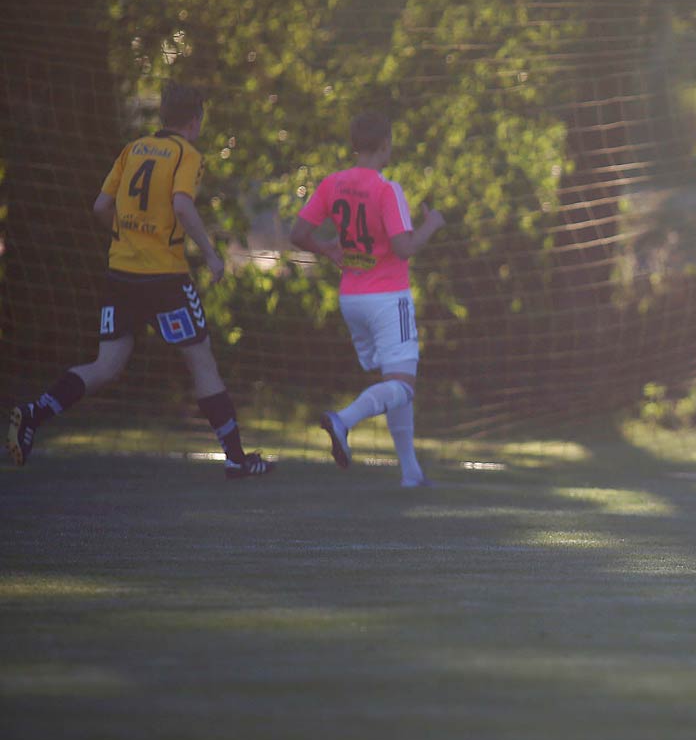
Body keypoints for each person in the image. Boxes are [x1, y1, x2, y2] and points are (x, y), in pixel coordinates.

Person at [7, 83, 272, 477]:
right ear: (195, 122)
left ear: (163, 117)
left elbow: (101, 206)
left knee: (106, 364)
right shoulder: (187, 153)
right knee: (201, 362)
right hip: (165, 280)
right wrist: (212, 255)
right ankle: (236, 457)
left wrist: (125, 236)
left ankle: (33, 414)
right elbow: (181, 205)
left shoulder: (133, 149)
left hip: (121, 275)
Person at [290, 111, 445, 487]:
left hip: (351, 297)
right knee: (403, 385)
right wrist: (432, 224)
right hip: (388, 298)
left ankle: (411, 474)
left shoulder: (333, 184)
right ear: (385, 145)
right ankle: (344, 420)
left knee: (395, 381)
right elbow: (403, 248)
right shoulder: (386, 189)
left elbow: (298, 233)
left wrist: (326, 249)